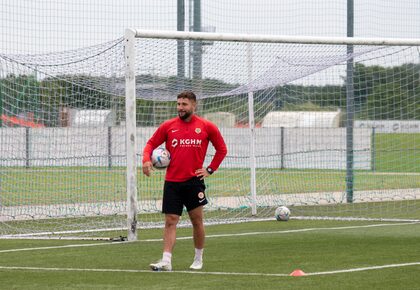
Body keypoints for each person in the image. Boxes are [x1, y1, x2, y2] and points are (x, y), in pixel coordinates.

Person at [142, 90, 227, 271]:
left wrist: (210, 169)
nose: (180, 108)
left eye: (184, 104)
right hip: (172, 182)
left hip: (193, 181)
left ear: (194, 105)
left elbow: (222, 149)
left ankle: (198, 258)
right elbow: (150, 144)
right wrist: (146, 160)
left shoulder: (206, 126)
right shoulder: (168, 126)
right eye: (178, 104)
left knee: (196, 220)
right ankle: (166, 260)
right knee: (171, 220)